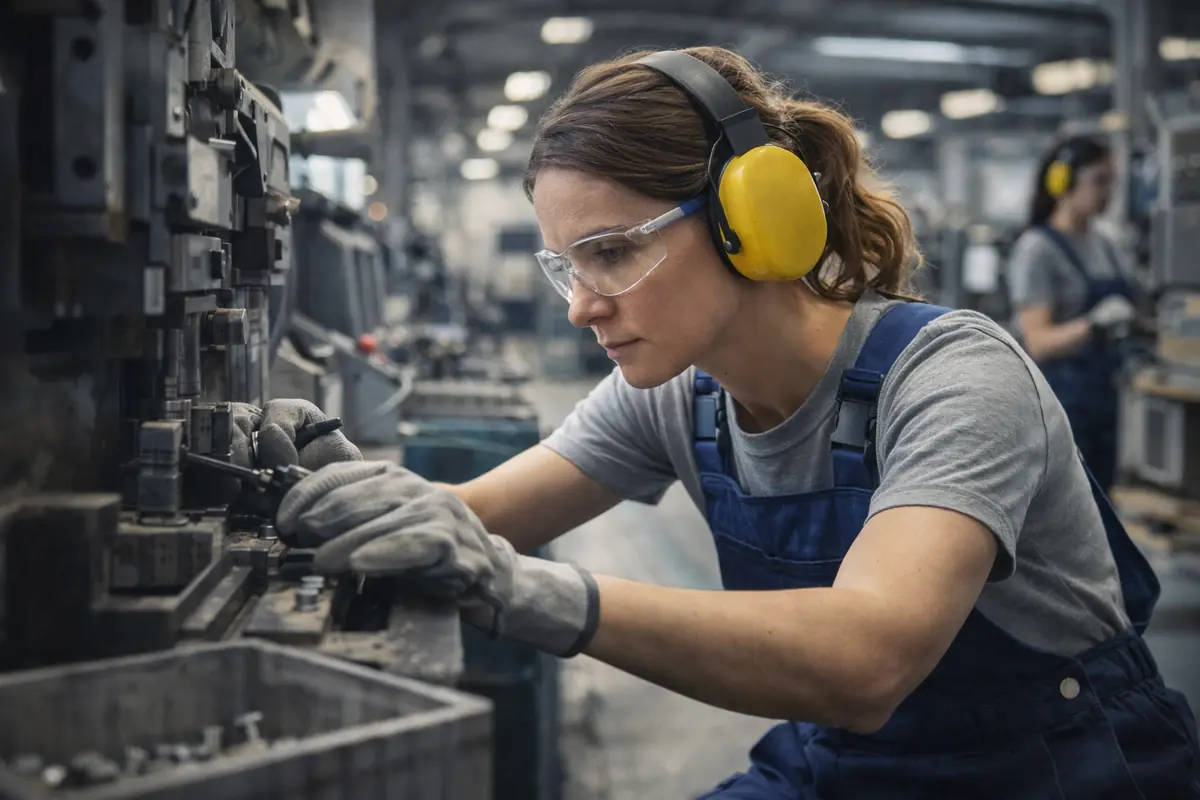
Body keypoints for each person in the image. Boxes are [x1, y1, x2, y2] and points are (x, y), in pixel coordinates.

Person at [235, 48, 1199, 798]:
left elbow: (865, 659)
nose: (581, 305)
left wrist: (525, 591)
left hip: (1060, 773)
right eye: (567, 265)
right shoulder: (675, 391)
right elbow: (469, 520)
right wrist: (331, 483)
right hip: (849, 768)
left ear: (753, 219)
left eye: (611, 252)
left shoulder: (951, 378)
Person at [1008, 136, 1139, 492]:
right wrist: (1093, 325)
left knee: (1104, 504)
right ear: (1062, 183)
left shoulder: (1108, 244)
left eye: (1112, 181)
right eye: (1099, 180)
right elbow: (1038, 342)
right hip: (1061, 404)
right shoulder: (1038, 250)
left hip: (1106, 400)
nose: (1108, 192)